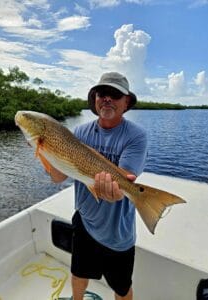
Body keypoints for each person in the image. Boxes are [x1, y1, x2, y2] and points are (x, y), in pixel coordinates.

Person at [50, 72, 148, 300]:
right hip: (84, 222)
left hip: (118, 231)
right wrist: (44, 150)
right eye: (102, 93)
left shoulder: (136, 136)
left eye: (115, 94)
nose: (107, 99)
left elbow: (125, 183)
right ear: (95, 99)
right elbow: (58, 177)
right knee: (78, 273)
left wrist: (115, 193)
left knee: (121, 287)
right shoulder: (80, 133)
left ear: (126, 103)